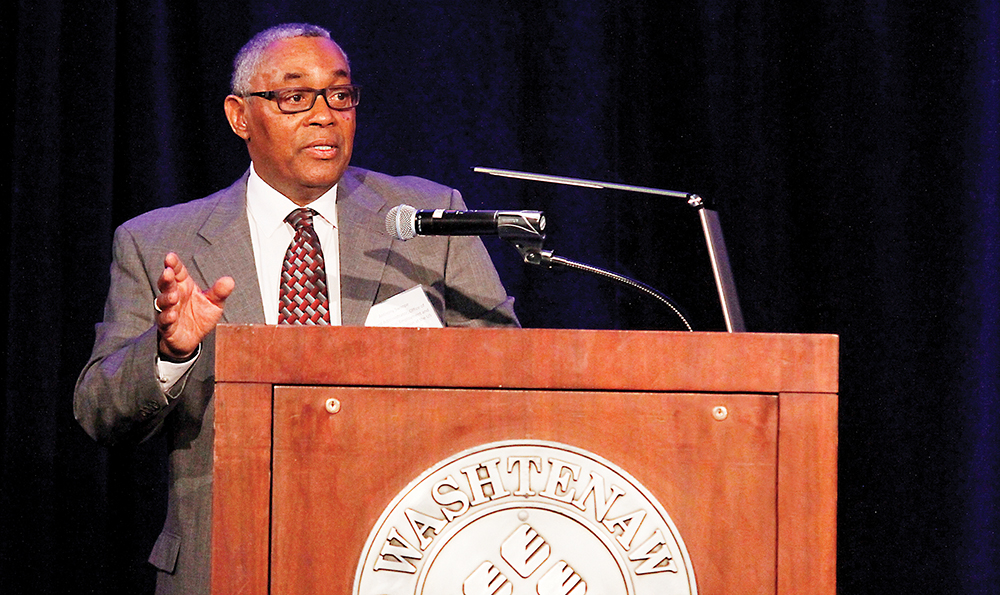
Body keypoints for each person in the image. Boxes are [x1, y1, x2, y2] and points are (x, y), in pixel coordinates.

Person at [74, 23, 518, 595]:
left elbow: (509, 378)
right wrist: (169, 352)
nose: (324, 115)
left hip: (403, 553)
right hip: (227, 560)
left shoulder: (428, 218)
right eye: (294, 97)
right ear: (240, 117)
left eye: (339, 94)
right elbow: (99, 411)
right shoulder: (159, 240)